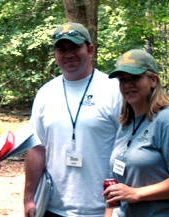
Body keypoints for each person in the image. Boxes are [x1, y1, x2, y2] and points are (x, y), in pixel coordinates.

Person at [24, 22, 122, 217]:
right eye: (61, 49)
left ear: (90, 50)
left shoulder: (114, 89)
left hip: (103, 209)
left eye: (75, 47)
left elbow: (127, 152)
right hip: (53, 207)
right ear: (55, 55)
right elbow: (37, 149)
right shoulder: (46, 93)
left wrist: (116, 207)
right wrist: (29, 198)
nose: (68, 54)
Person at [103, 49, 169, 217]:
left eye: (135, 77)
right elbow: (116, 187)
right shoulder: (126, 124)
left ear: (153, 80)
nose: (128, 84)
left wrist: (137, 193)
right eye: (123, 80)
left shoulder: (168, 121)